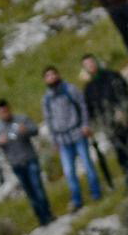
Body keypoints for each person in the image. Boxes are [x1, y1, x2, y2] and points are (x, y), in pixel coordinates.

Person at [39, 66, 103, 211]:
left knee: (88, 165)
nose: (51, 78)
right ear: (44, 80)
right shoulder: (47, 99)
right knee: (69, 172)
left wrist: (85, 125)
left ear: (58, 75)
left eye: (53, 74)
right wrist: (54, 140)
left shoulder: (70, 89)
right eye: (48, 76)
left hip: (77, 133)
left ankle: (96, 193)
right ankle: (76, 200)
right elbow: (49, 120)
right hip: (62, 139)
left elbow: (82, 106)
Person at [0, 100, 52, 227]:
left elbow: (35, 130)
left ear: (9, 109)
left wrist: (26, 130)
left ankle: (48, 214)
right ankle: (42, 219)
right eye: (2, 112)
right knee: (29, 192)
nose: (5, 113)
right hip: (16, 164)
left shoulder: (21, 119)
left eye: (6, 110)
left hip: (30, 159)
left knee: (38, 188)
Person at [80, 54, 128, 188]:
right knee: (120, 152)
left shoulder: (112, 76)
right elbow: (90, 110)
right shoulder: (89, 88)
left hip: (124, 119)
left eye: (91, 62)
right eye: (87, 65)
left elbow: (126, 93)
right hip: (109, 126)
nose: (91, 66)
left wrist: (123, 111)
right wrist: (95, 125)